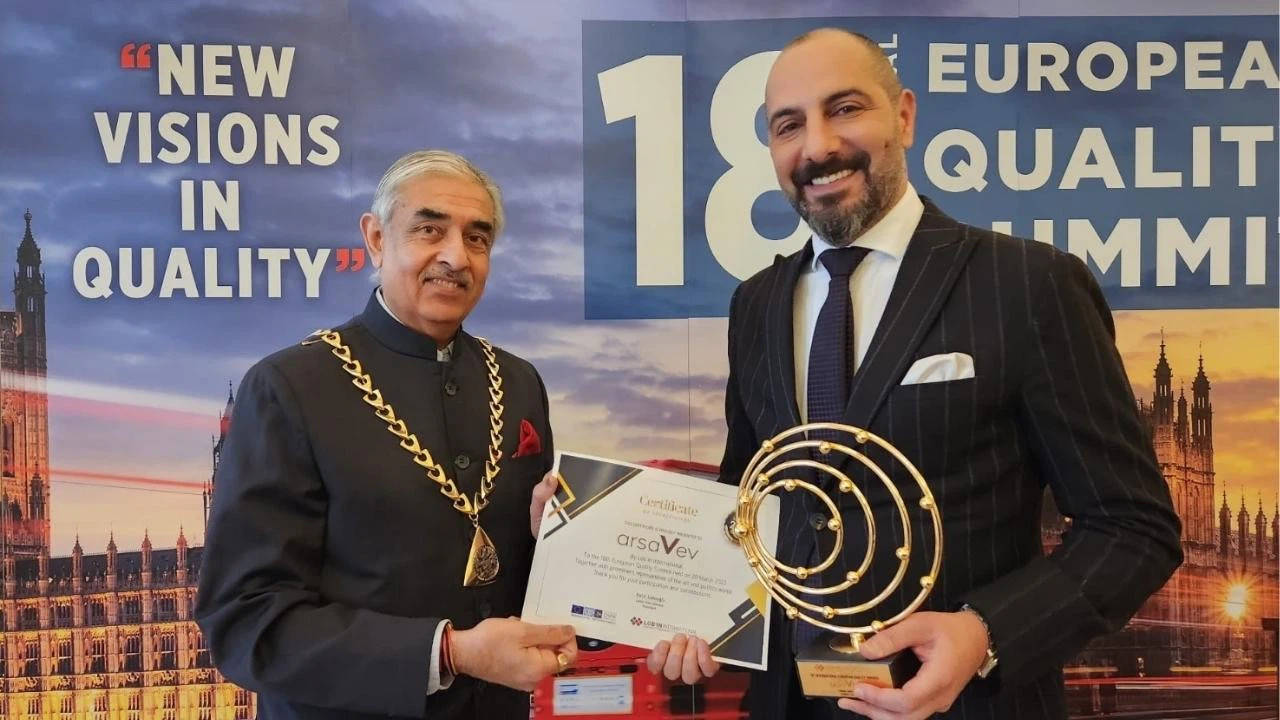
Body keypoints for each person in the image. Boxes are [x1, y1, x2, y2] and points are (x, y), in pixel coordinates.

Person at [651, 28, 1184, 719]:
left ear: (903, 116)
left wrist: (986, 634)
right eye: (789, 126)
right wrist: (643, 566)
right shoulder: (754, 305)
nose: (817, 146)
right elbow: (750, 507)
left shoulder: (1029, 284)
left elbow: (1134, 527)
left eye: (845, 109)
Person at [195, 149, 578, 719]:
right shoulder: (288, 387)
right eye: (429, 230)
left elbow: (526, 587)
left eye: (477, 238)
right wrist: (448, 653)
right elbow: (246, 621)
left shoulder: (519, 381)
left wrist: (555, 546)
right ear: (376, 239)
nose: (456, 256)